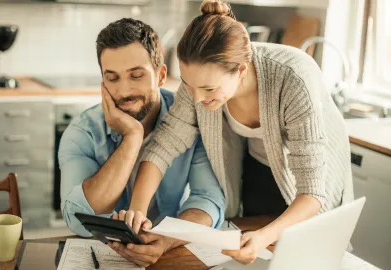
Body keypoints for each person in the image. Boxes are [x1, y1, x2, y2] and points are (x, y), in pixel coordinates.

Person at [122, 0, 354, 265]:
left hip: (310, 184)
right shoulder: (199, 82)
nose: (197, 99)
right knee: (260, 259)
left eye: (209, 89)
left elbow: (312, 192)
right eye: (189, 85)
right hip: (258, 169)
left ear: (241, 70)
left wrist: (263, 236)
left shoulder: (294, 79)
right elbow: (165, 144)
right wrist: (137, 211)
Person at [58, 18, 225, 267]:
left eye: (136, 75)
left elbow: (208, 201)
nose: (124, 91)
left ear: (161, 75)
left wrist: (167, 239)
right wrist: (132, 138)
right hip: (107, 257)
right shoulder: (83, 132)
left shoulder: (191, 122)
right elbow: (78, 219)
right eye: (112, 78)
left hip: (173, 251)